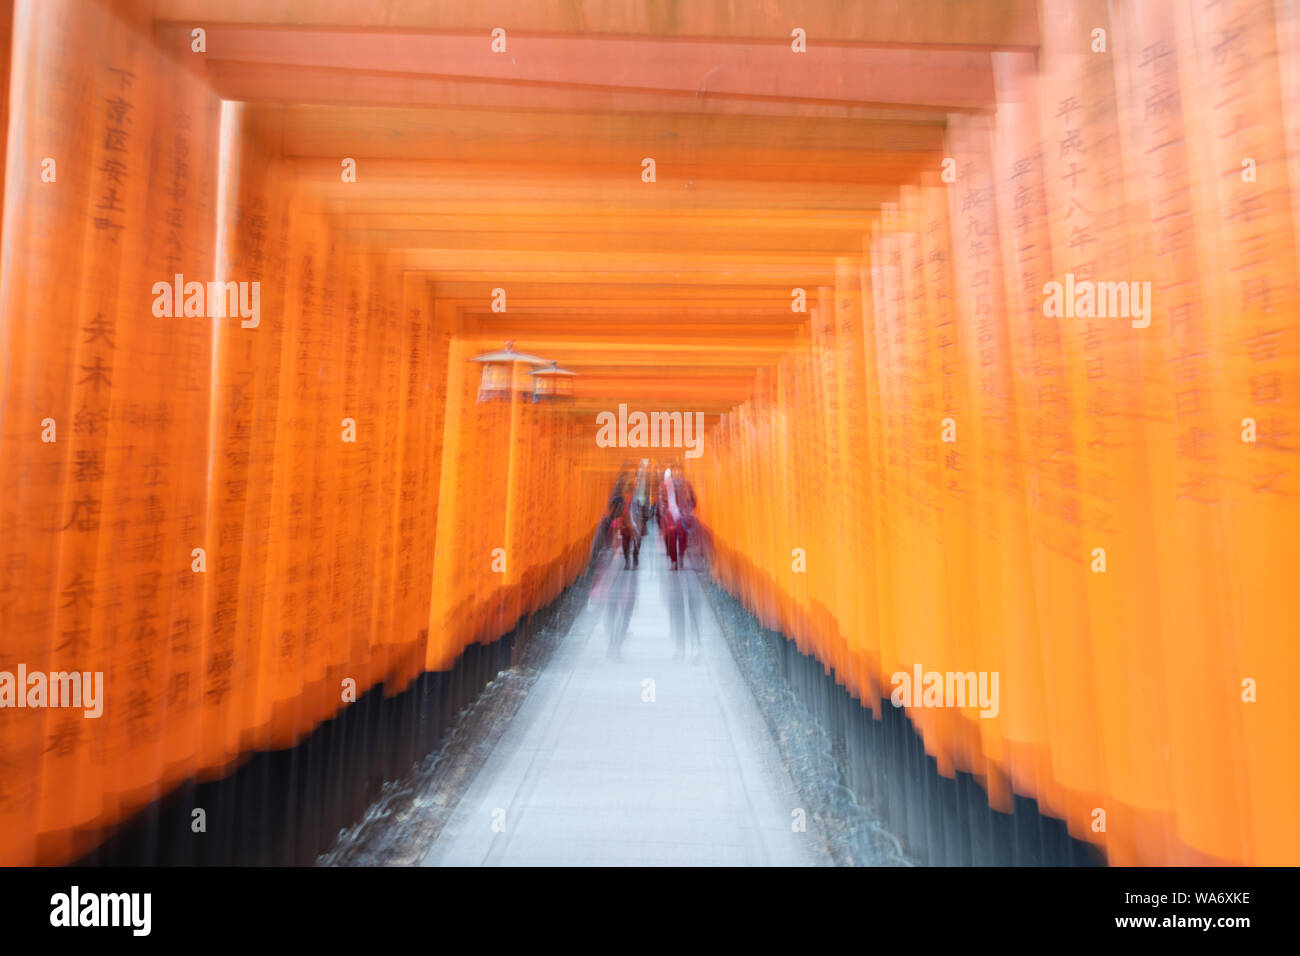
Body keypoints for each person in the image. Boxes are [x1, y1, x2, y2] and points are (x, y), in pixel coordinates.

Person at [657, 465, 697, 570]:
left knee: (683, 537)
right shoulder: (664, 485)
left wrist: (689, 510)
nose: (677, 473)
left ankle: (681, 556)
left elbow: (693, 499)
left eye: (678, 471)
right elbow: (661, 501)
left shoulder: (687, 485)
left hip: (683, 515)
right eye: (675, 471)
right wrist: (664, 513)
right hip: (670, 515)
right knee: (672, 536)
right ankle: (674, 561)